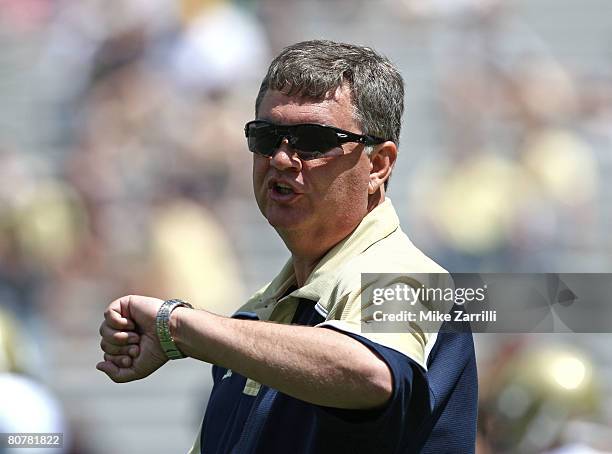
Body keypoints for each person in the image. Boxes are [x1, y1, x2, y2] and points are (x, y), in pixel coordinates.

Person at [96, 40, 478, 453]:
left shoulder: (410, 275)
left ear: (379, 165)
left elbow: (370, 374)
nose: (280, 158)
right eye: (267, 136)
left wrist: (179, 328)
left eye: (312, 140)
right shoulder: (255, 314)